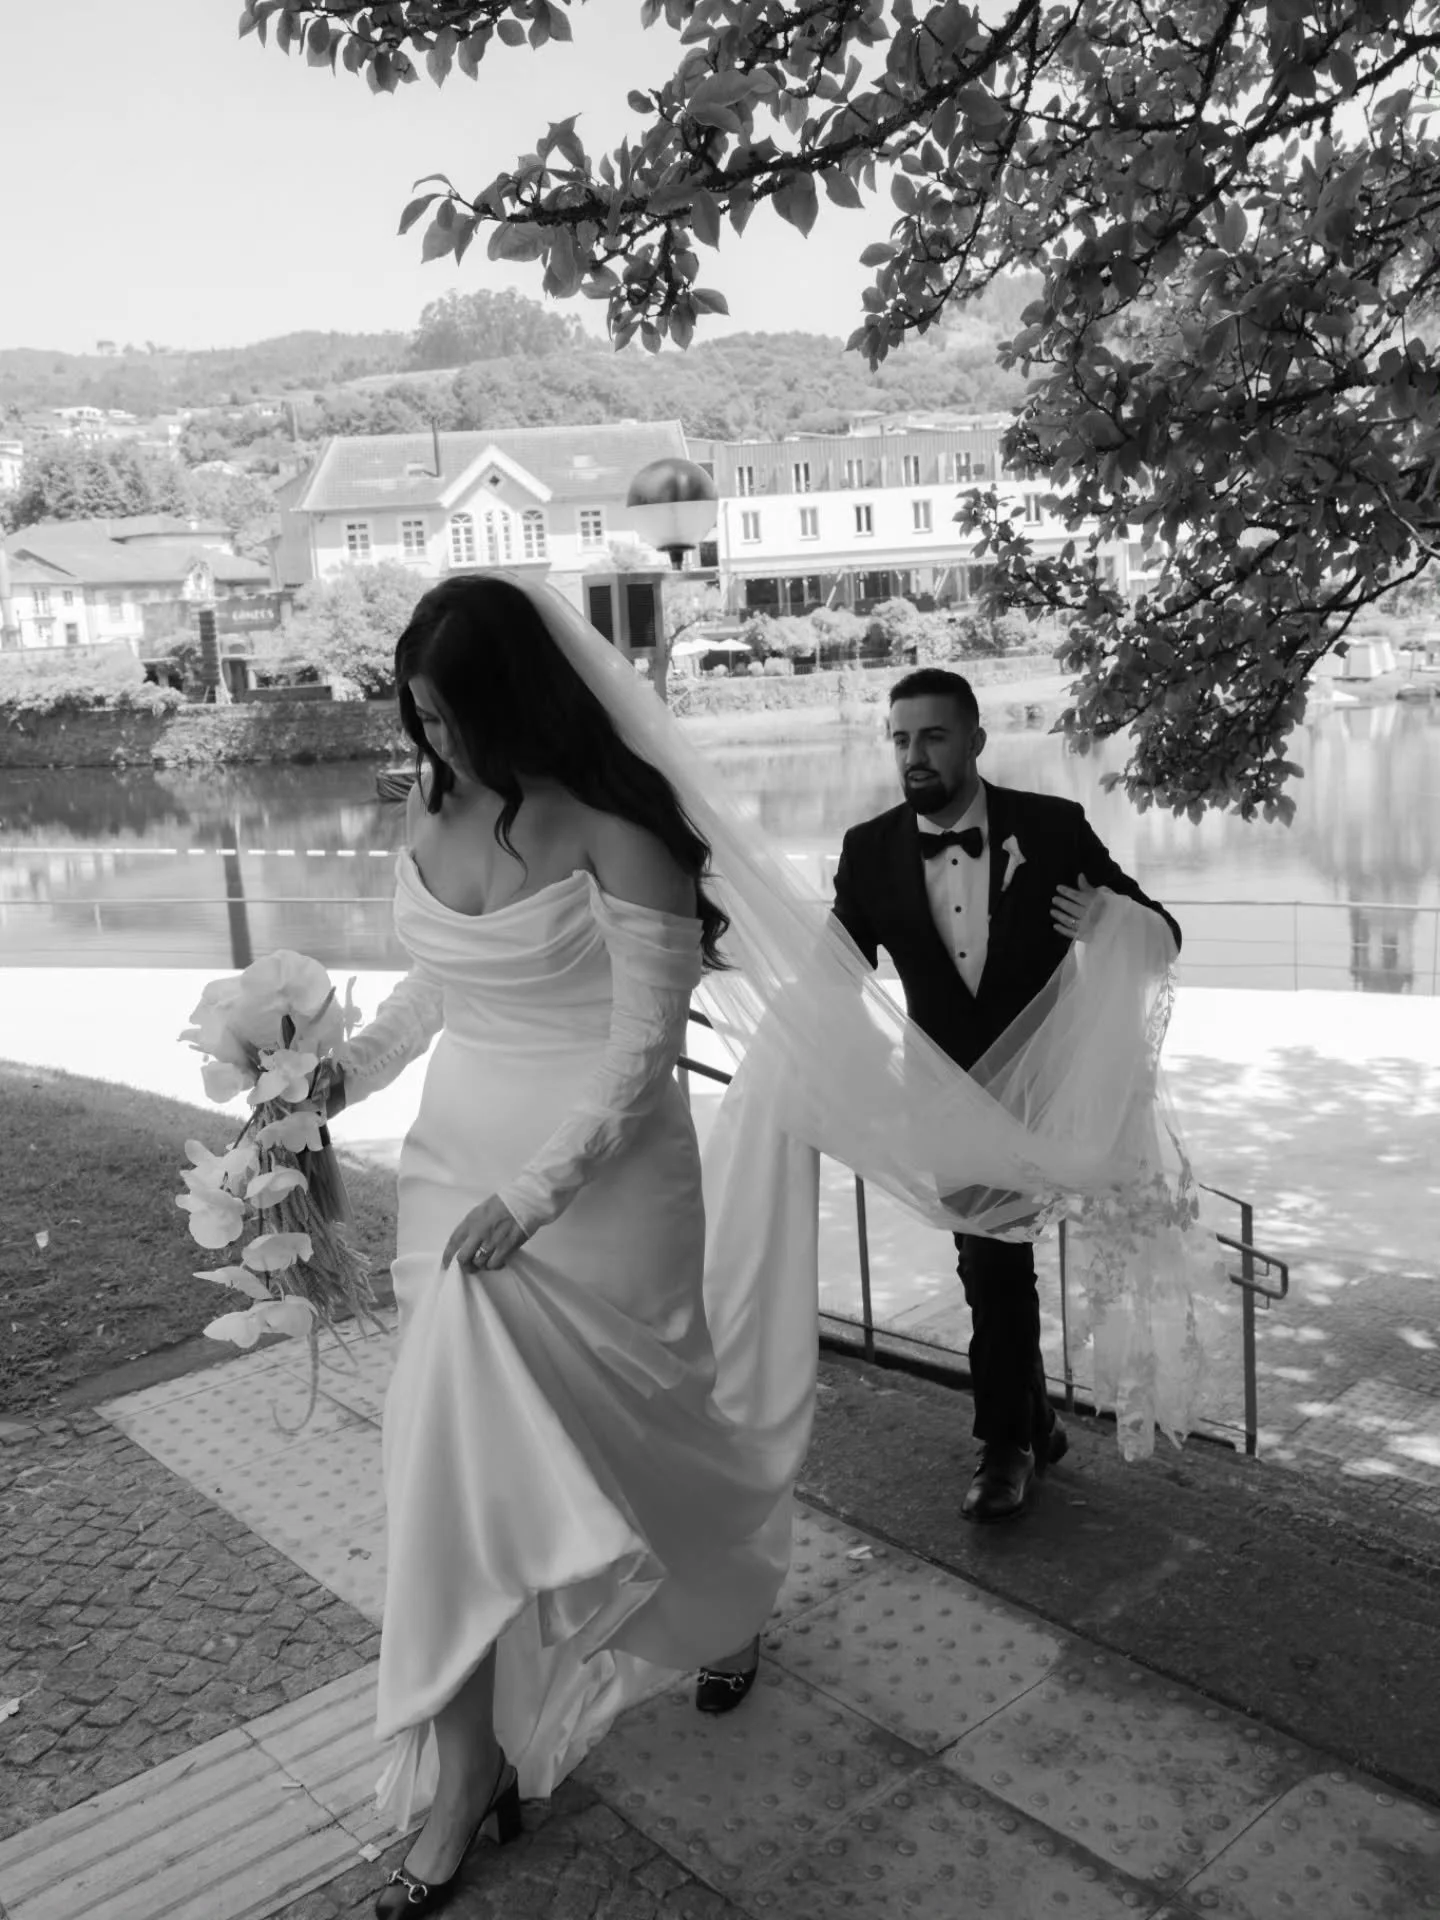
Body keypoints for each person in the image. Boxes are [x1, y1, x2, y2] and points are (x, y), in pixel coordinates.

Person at [328, 576, 789, 1918]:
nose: (440, 744)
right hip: (450, 1171)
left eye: (455, 716)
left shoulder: (619, 828)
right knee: (452, 1482)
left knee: (650, 1440)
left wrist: (532, 1197)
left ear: (519, 703)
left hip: (597, 1187)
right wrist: (333, 1077)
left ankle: (724, 1598)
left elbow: (641, 1055)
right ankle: (468, 1771)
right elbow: (440, 985)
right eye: (419, 715)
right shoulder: (432, 803)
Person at [832, 668, 1182, 1523]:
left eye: (933, 736)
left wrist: (1105, 921)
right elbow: (833, 969)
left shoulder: (1051, 828)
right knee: (986, 1263)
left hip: (1041, 1094)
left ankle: (1005, 1448)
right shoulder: (868, 849)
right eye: (901, 738)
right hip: (941, 1102)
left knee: (996, 1268)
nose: (913, 755)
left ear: (975, 741)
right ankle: (1033, 1421)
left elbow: (1162, 935)